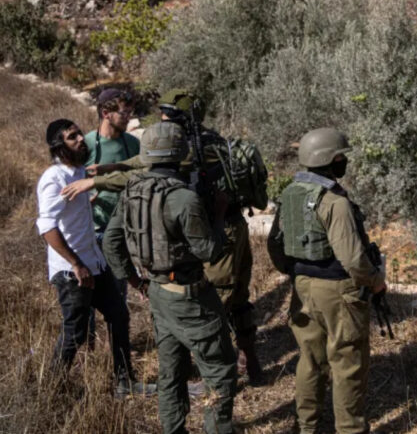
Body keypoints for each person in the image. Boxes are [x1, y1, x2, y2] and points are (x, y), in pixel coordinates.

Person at [62, 89, 266, 385]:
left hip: (220, 232)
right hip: (234, 227)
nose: (162, 119)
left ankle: (217, 375)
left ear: (181, 119)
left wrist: (98, 181)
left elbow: (146, 175)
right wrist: (116, 165)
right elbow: (146, 160)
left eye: (167, 115)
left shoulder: (191, 150)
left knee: (215, 304)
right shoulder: (209, 140)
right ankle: (251, 361)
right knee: (238, 299)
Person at [102, 121, 237, 434]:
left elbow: (111, 241)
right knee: (219, 372)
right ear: (180, 154)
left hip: (158, 292)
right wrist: (219, 214)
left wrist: (135, 281)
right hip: (191, 296)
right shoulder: (183, 199)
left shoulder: (132, 190)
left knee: (171, 372)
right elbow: (208, 251)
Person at [268, 127, 386, 434]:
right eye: (341, 157)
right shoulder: (335, 202)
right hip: (338, 291)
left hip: (302, 286)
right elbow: (353, 259)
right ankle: (350, 430)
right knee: (347, 363)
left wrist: (295, 273)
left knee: (310, 359)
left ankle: (306, 427)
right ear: (332, 159)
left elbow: (274, 245)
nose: (344, 162)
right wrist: (375, 281)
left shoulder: (290, 194)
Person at [36, 118, 151, 398]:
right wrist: (76, 264)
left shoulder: (79, 173)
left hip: (95, 263)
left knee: (119, 315)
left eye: (79, 134)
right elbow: (46, 226)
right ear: (58, 146)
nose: (80, 140)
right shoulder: (54, 178)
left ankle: (124, 382)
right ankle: (50, 392)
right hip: (72, 271)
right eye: (72, 137)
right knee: (75, 332)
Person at [84, 88, 141, 349]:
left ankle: (115, 347)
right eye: (123, 112)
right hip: (91, 230)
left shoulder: (133, 144)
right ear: (106, 113)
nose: (128, 117)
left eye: (130, 112)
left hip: (121, 230)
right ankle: (86, 350)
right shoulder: (86, 144)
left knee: (117, 294)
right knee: (85, 294)